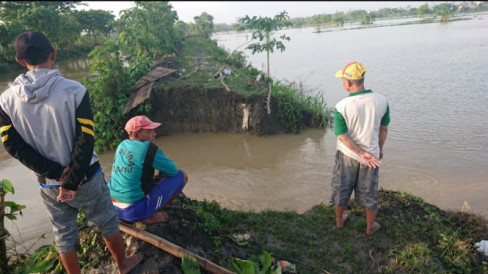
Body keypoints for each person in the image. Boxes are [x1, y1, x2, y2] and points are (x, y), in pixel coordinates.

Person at [0, 32, 141, 274]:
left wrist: (56, 173)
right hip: (86, 177)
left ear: (20, 61)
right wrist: (73, 178)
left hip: (48, 183)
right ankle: (123, 264)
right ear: (53, 54)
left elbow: (13, 146)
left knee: (63, 233)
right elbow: (85, 140)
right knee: (107, 220)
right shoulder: (75, 90)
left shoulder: (5, 100)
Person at [330, 62, 390, 236]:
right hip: (372, 156)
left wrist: (359, 152)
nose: (342, 83)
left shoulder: (342, 106)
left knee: (342, 188)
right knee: (369, 192)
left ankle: (340, 221)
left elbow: (343, 136)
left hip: (347, 155)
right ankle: (370, 227)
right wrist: (378, 149)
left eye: (342, 80)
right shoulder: (382, 101)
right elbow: (384, 129)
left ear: (348, 83)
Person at [108, 115, 188, 224]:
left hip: (110, 207)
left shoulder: (122, 145)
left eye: (153, 130)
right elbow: (172, 171)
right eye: (149, 131)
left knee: (118, 174)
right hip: (132, 212)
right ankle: (150, 215)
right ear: (136, 134)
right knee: (182, 176)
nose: (154, 134)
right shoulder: (149, 148)